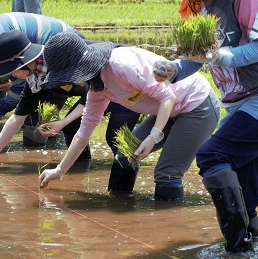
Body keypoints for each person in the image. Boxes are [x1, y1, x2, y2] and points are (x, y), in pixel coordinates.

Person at [37, 32, 220, 201]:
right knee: (125, 154)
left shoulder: (121, 65)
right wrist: (59, 170)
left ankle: (168, 231)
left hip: (197, 105)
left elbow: (167, 97)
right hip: (171, 111)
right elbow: (84, 132)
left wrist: (152, 136)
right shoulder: (97, 88)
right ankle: (120, 208)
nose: (72, 82)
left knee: (167, 174)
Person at [154, 0, 258, 253]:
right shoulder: (192, 2)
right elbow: (196, 57)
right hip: (236, 102)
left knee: (213, 155)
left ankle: (236, 249)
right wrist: (174, 69)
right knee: (244, 194)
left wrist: (219, 55)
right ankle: (248, 249)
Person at [0, 30, 141, 188]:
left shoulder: (63, 58)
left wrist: (63, 121)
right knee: (71, 127)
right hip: (96, 95)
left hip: (125, 85)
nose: (12, 75)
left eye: (13, 70)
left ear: (24, 61)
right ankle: (79, 171)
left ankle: (122, 196)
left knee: (116, 138)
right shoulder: (36, 77)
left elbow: (92, 92)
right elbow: (18, 117)